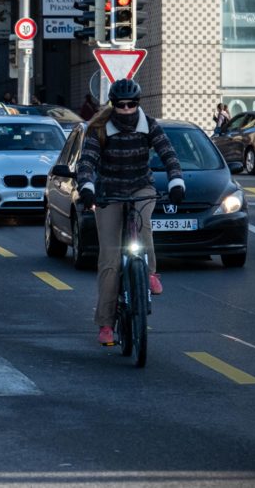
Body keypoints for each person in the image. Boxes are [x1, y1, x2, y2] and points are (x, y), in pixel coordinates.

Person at [76, 78, 185, 346]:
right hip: (109, 191)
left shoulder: (149, 125)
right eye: (121, 105)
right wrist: (87, 187)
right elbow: (87, 162)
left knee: (144, 223)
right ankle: (105, 324)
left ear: (138, 103)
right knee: (110, 261)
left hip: (140, 186)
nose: (126, 109)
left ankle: (149, 273)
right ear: (113, 105)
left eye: (131, 104)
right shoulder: (99, 129)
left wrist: (176, 182)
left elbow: (168, 153)